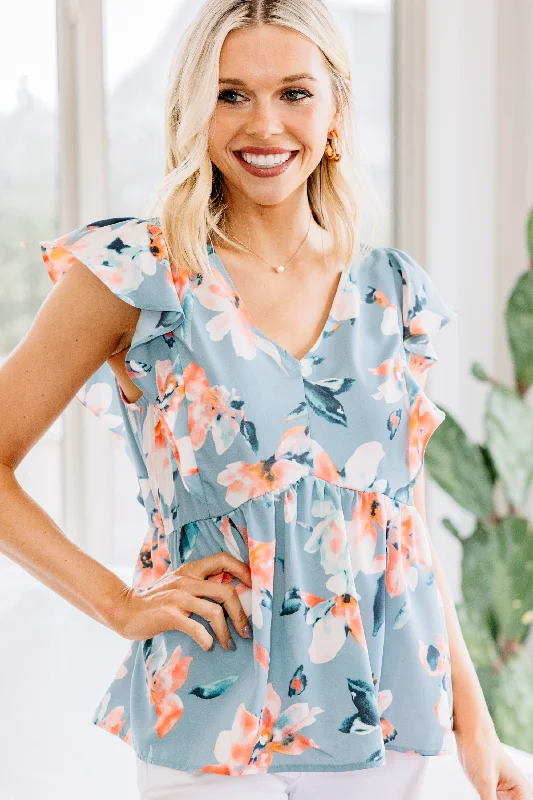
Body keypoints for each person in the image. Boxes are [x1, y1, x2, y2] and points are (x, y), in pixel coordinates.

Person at [1, 1, 532, 798]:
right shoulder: (140, 271)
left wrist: (476, 724)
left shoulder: (390, 292)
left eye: (293, 93)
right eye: (231, 94)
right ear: (191, 112)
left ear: (335, 111)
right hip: (215, 697)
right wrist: (116, 602)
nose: (265, 126)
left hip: (384, 698)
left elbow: (402, 521)